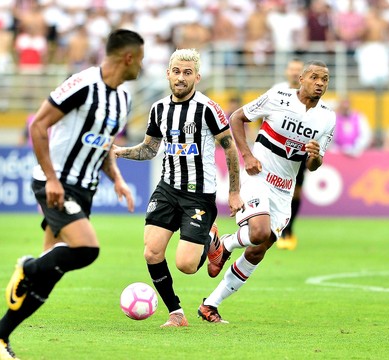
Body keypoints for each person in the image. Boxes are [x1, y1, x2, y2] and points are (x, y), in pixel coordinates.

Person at [0, 29, 143, 359]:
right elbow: (38, 125)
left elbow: (102, 145)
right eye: (140, 58)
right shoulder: (82, 84)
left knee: (48, 278)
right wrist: (53, 180)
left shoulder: (123, 98)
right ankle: (27, 266)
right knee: (87, 249)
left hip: (84, 189)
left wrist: (116, 179)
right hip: (54, 183)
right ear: (127, 58)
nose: (142, 65)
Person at [114, 48, 243, 328]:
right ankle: (176, 313)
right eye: (176, 72)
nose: (181, 78)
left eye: (187, 73)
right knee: (151, 251)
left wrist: (234, 191)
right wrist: (119, 151)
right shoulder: (159, 108)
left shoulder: (208, 109)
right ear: (168, 74)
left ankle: (212, 242)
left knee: (186, 265)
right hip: (167, 189)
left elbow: (229, 148)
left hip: (199, 194)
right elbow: (149, 149)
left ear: (197, 76)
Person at [198, 60, 336, 323]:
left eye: (325, 79)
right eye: (315, 77)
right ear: (302, 79)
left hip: (285, 187)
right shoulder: (277, 98)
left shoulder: (328, 117)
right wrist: (247, 155)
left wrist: (316, 157)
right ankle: (224, 244)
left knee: (258, 250)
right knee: (258, 232)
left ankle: (210, 305)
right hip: (258, 175)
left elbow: (314, 165)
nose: (320, 83)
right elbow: (237, 117)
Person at [271, 58, 305, 251]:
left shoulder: (310, 95)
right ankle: (279, 229)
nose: (294, 73)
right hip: (278, 150)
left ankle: (289, 229)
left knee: (296, 192)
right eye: (291, 69)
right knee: (277, 191)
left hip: (299, 151)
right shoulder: (278, 91)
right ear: (287, 72)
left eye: (298, 70)